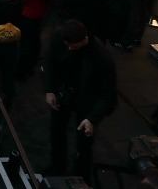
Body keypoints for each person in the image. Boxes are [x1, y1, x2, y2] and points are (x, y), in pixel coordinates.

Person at [43, 20, 117, 180]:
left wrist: (92, 119)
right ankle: (57, 166)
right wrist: (49, 89)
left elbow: (108, 94)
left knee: (84, 143)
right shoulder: (60, 37)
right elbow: (49, 61)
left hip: (87, 100)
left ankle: (81, 176)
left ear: (84, 39)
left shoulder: (102, 58)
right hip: (64, 93)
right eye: (67, 45)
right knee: (57, 132)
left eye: (73, 46)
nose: (69, 49)